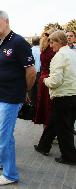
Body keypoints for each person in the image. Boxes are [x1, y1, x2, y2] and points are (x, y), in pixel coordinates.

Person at [0, 10, 36, 185]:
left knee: (4, 137)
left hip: (9, 98)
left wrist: (24, 91)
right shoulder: (2, 43)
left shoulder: (18, 42)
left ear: (6, 21)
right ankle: (2, 162)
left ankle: (10, 174)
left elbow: (31, 72)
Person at [34, 30, 76, 165]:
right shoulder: (72, 53)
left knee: (64, 128)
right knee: (54, 121)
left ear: (59, 42)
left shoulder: (59, 56)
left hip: (63, 96)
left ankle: (69, 157)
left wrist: (45, 80)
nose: (51, 45)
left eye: (52, 42)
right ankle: (43, 146)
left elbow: (55, 81)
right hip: (72, 94)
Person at [34, 28, 57, 128]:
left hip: (43, 79)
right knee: (50, 108)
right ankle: (50, 136)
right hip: (50, 79)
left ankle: (46, 134)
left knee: (45, 107)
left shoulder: (43, 48)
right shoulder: (53, 50)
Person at [30, 36, 41, 107]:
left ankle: (32, 105)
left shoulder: (30, 50)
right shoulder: (41, 50)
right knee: (38, 91)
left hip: (31, 72)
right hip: (40, 72)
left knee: (31, 91)